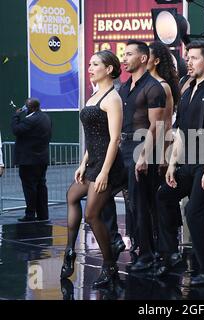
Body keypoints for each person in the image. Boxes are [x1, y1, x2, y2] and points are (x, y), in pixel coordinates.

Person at [154, 41, 204, 286]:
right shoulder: (188, 91)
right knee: (163, 195)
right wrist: (173, 164)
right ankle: (172, 253)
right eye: (187, 57)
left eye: (194, 58)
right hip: (187, 162)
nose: (188, 61)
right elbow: (178, 132)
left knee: (194, 214)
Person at [60, 50, 124, 288]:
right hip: (93, 162)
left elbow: (114, 139)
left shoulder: (112, 98)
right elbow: (94, 136)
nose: (89, 67)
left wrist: (105, 172)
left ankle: (109, 266)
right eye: (89, 63)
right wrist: (83, 163)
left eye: (95, 64)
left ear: (109, 69)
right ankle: (69, 251)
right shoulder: (93, 96)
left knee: (92, 214)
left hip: (109, 165)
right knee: (72, 195)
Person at [118, 40, 166, 272]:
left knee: (141, 203)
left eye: (129, 54)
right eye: (123, 54)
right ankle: (137, 245)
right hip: (124, 148)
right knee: (126, 202)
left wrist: (144, 156)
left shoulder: (153, 87)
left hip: (142, 147)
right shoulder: (125, 87)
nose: (124, 58)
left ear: (144, 58)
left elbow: (156, 126)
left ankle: (148, 253)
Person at [147, 41, 183, 264]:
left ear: (156, 60)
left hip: (159, 149)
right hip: (145, 147)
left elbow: (166, 124)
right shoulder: (144, 84)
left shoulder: (163, 86)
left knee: (161, 201)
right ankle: (156, 246)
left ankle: (169, 248)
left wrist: (163, 155)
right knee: (151, 202)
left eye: (146, 55)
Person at [11, 98, 52, 222]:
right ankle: (43, 214)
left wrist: (16, 116)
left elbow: (16, 130)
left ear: (31, 108)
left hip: (29, 160)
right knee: (41, 186)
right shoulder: (46, 117)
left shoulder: (31, 120)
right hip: (42, 158)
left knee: (30, 188)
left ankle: (30, 215)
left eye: (26, 107)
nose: (24, 108)